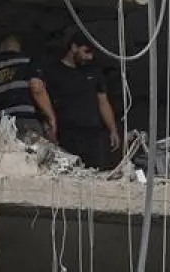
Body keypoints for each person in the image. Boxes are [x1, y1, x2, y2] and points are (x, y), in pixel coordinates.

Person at [44, 32, 121, 170]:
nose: (89, 57)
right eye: (86, 52)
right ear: (74, 47)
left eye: (91, 53)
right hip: (67, 134)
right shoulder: (54, 71)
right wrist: (49, 126)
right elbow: (46, 102)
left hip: (93, 135)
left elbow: (103, 101)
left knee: (96, 174)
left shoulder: (94, 71)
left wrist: (112, 129)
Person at [0, 34, 56, 140]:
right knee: (32, 155)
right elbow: (37, 89)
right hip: (25, 122)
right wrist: (51, 118)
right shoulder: (27, 62)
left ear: (0, 47)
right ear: (19, 47)